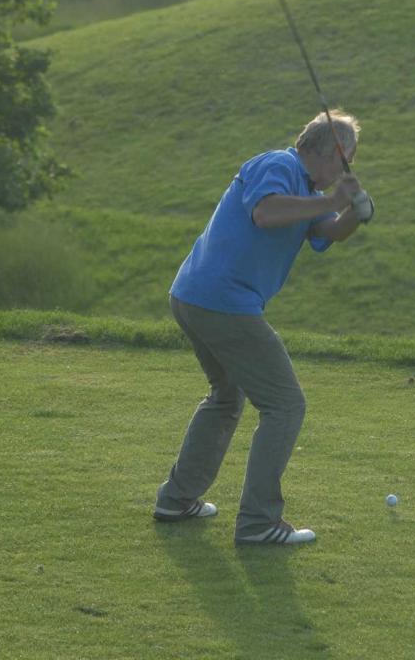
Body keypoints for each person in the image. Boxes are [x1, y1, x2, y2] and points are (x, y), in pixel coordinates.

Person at [153, 109, 374, 545]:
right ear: (330, 152)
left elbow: (328, 232)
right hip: (223, 302)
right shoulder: (279, 164)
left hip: (197, 296)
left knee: (226, 396)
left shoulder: (307, 190)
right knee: (285, 405)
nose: (347, 170)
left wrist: (355, 214)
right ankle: (258, 522)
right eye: (347, 160)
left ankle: (177, 499)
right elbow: (266, 213)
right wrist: (334, 201)